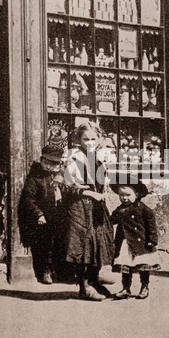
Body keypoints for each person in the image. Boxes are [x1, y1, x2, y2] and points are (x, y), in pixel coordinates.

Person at [62, 122, 114, 301]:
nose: (90, 142)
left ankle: (94, 281)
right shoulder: (73, 158)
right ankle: (84, 286)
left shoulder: (98, 158)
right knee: (84, 245)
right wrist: (91, 193)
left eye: (93, 138)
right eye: (86, 139)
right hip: (80, 207)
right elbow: (67, 186)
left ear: (99, 138)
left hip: (97, 207)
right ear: (78, 139)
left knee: (99, 243)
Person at [18, 145, 65, 284]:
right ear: (42, 160)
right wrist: (39, 214)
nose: (50, 166)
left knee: (59, 244)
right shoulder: (35, 178)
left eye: (54, 163)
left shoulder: (59, 176)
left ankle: (59, 271)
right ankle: (44, 271)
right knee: (44, 246)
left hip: (58, 215)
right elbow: (29, 199)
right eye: (47, 162)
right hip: (44, 217)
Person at [110, 179, 159, 300]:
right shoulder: (120, 209)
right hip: (125, 242)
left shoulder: (144, 209)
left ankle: (144, 287)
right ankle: (126, 288)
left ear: (136, 195)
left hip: (141, 242)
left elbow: (151, 225)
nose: (124, 198)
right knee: (125, 267)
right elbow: (112, 220)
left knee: (143, 266)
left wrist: (152, 240)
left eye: (128, 195)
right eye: (121, 195)